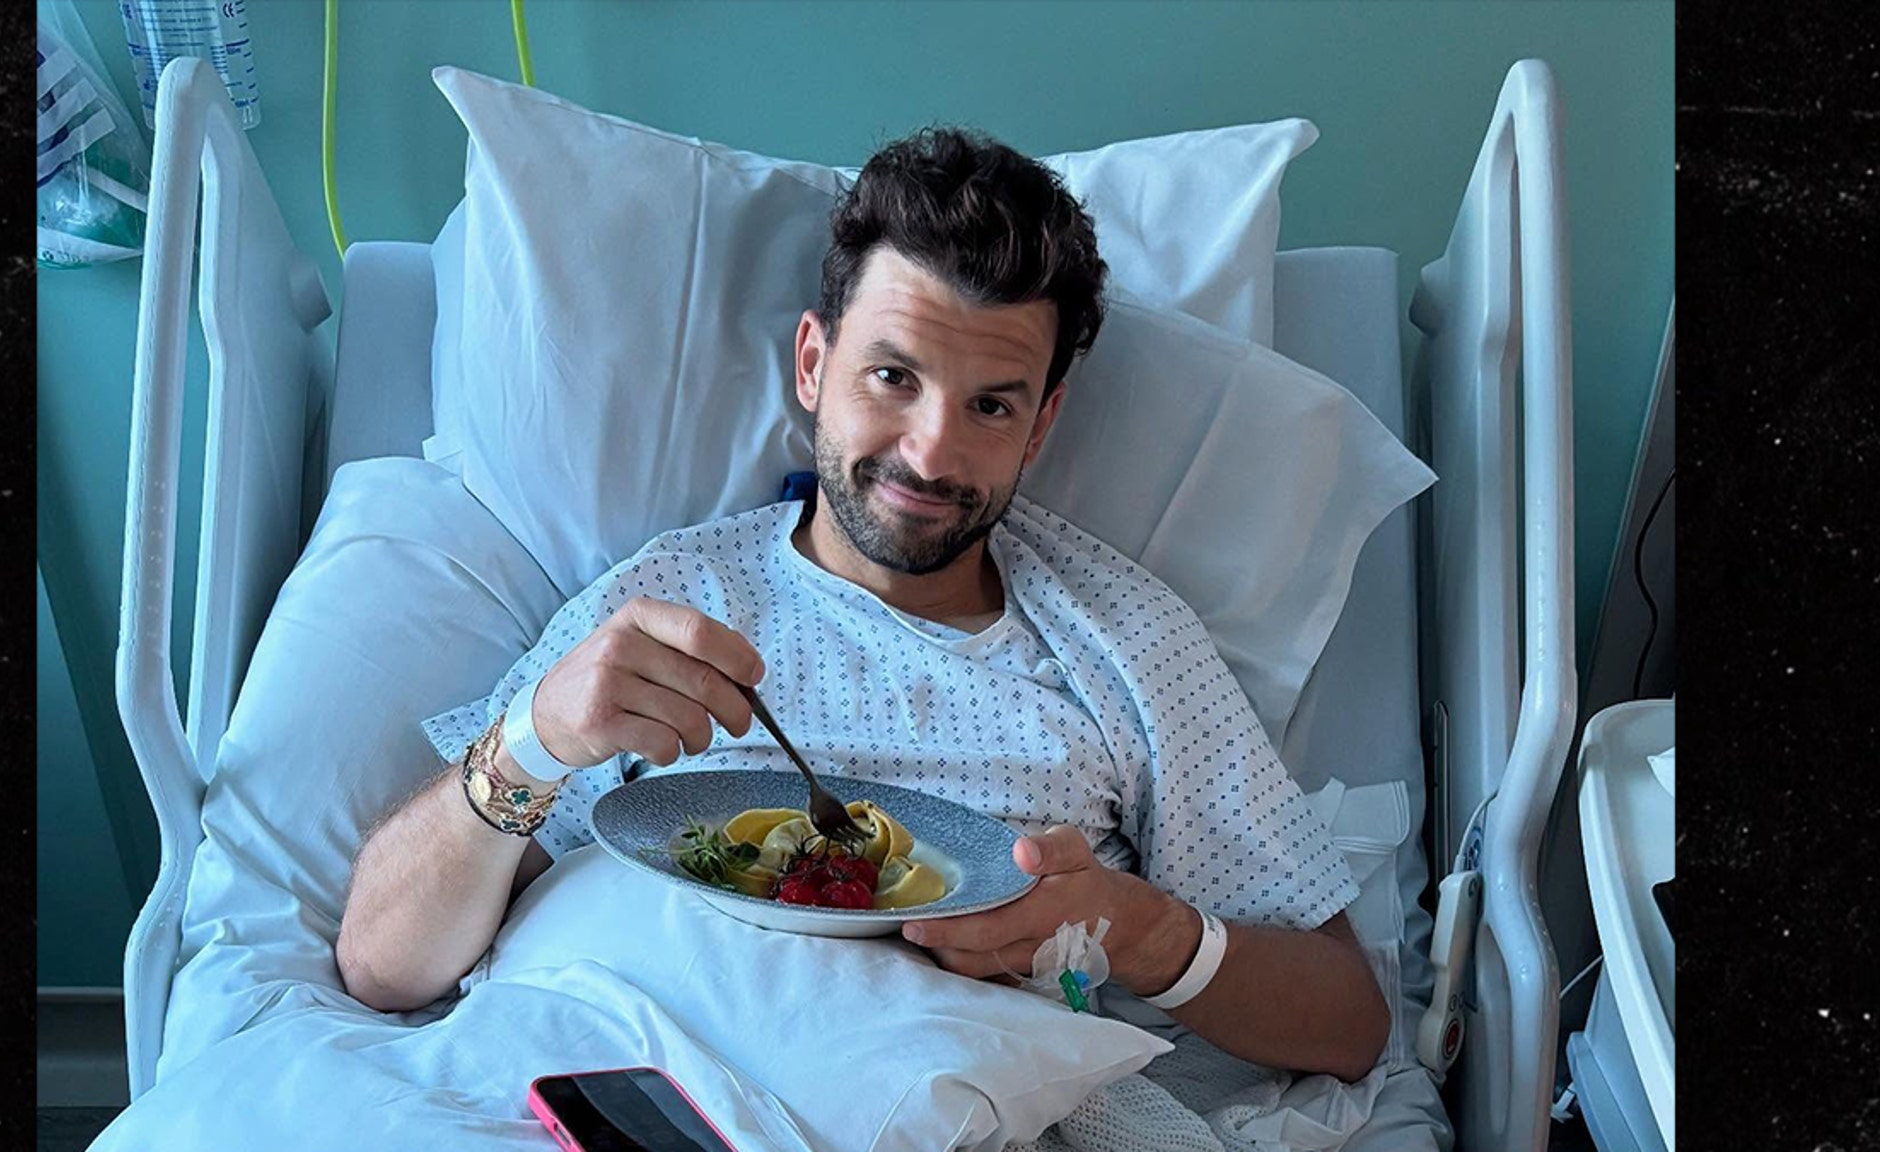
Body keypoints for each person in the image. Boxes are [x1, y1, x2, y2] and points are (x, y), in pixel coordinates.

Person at [335, 126, 1389, 1085]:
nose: (931, 454)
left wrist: (1147, 935)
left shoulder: (1125, 642)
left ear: (1040, 425)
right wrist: (530, 743)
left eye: (990, 405)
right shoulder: (667, 602)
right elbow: (383, 965)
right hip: (651, 1076)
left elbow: (1349, 1024)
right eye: (892, 377)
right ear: (813, 363)